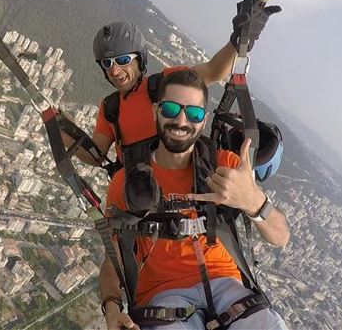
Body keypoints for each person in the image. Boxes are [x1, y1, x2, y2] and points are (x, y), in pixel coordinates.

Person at [98, 69, 290, 330]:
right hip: (163, 294)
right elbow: (115, 259)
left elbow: (281, 237)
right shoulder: (126, 183)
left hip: (227, 289)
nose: (181, 121)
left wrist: (253, 200)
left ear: (203, 120)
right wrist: (111, 309)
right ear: (155, 110)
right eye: (170, 109)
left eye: (194, 114)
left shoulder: (225, 166)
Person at [62, 3, 280, 170]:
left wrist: (240, 40)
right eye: (107, 64)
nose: (115, 71)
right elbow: (96, 154)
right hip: (141, 202)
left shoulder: (166, 83)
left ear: (140, 59)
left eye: (122, 61)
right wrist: (62, 130)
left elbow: (214, 71)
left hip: (183, 191)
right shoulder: (111, 108)